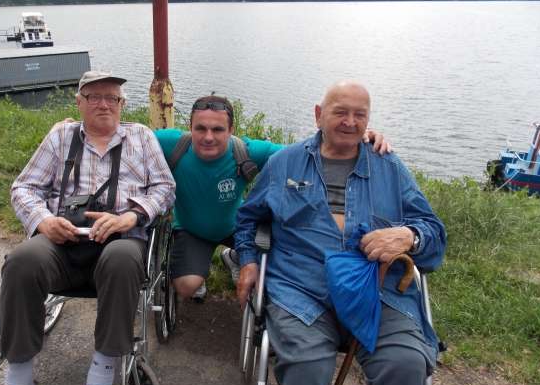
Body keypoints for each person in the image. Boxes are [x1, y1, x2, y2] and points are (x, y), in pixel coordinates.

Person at [235, 81, 446, 385]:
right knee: (307, 363)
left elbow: (433, 232)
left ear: (368, 120)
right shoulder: (285, 163)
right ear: (319, 115)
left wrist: (409, 236)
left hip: (379, 292)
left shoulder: (388, 166)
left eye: (359, 114)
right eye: (340, 112)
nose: (350, 122)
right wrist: (248, 261)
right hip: (302, 290)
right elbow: (248, 218)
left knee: (405, 363)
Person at [0, 71, 175, 385]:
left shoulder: (141, 137)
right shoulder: (60, 136)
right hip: (61, 243)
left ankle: (100, 384)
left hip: (119, 241)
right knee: (22, 261)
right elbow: (24, 188)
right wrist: (44, 220)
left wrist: (131, 216)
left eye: (112, 98)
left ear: (122, 104)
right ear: (79, 102)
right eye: (94, 97)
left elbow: (165, 188)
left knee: (123, 259)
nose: (104, 104)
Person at [155, 95, 393, 301]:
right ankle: (200, 269)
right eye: (200, 128)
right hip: (192, 230)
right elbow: (135, 136)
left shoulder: (246, 151)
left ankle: (235, 256)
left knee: (273, 272)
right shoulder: (173, 145)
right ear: (190, 127)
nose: (208, 137)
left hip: (235, 227)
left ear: (231, 130)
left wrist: (355, 138)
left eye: (217, 129)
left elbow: (306, 154)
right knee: (186, 287)